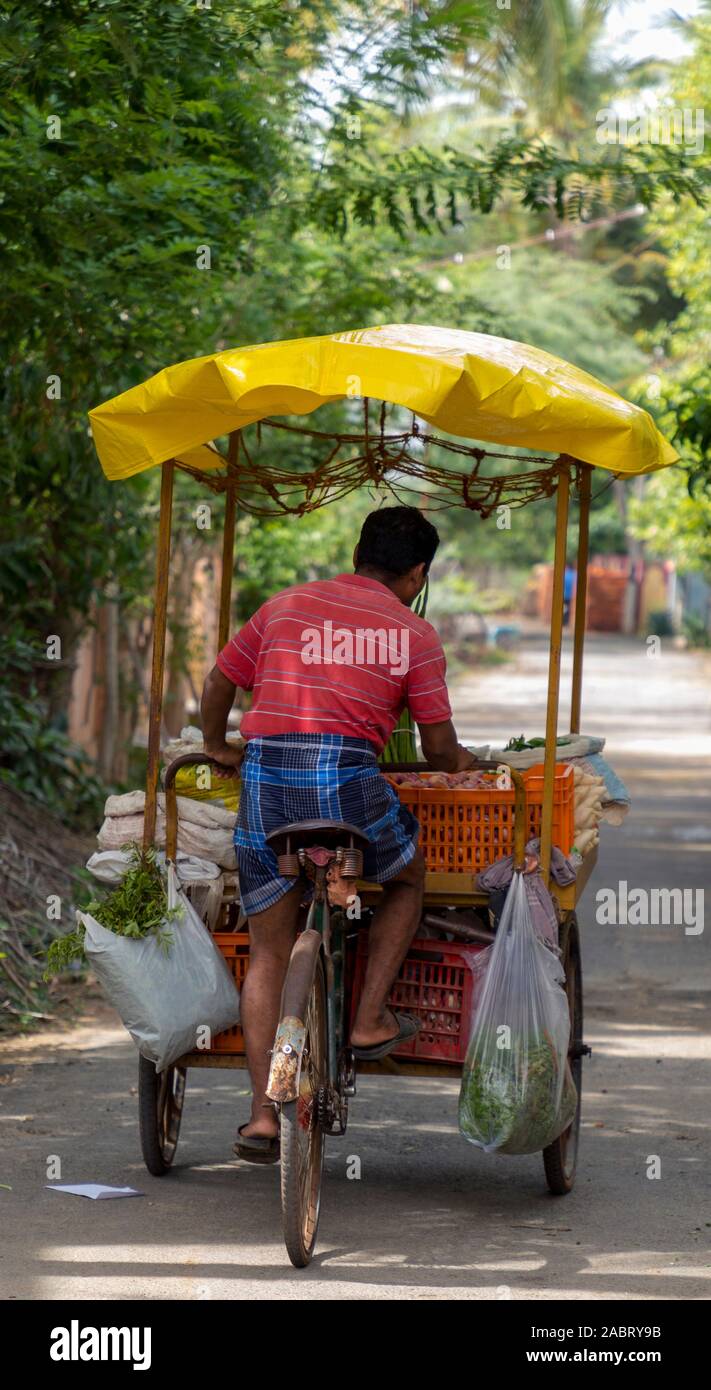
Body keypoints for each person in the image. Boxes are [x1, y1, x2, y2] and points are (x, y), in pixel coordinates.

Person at [200, 505, 476, 1161]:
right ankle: (367, 1017)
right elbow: (438, 747)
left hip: (267, 785)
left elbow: (218, 682)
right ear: (416, 574)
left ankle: (263, 1115)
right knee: (406, 875)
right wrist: (458, 762)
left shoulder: (285, 606)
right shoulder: (413, 631)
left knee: (268, 950)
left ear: (357, 554)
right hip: (350, 789)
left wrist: (216, 745)